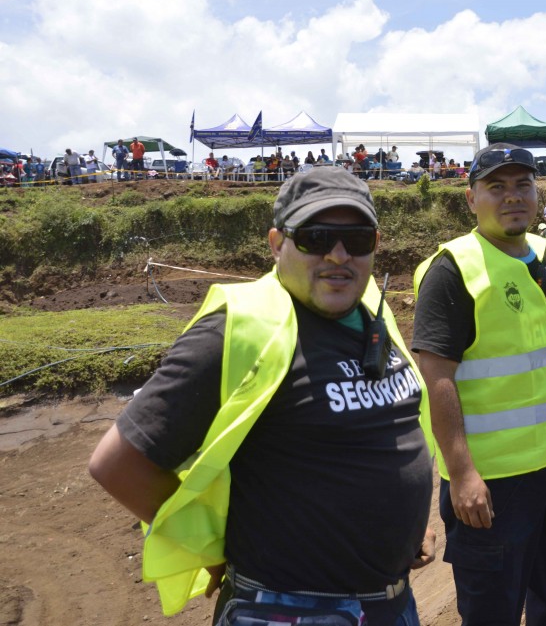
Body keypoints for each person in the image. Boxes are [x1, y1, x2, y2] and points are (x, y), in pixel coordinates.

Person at [89, 169, 435, 625]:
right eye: (315, 237)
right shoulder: (238, 330)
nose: (338, 254)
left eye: (356, 239)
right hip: (288, 610)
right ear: (276, 243)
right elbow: (117, 465)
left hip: (391, 603)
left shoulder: (372, 310)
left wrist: (406, 526)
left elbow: (384, 432)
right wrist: (211, 552)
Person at [411, 143, 546, 626]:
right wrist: (462, 474)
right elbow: (437, 376)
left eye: (522, 185)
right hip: (490, 487)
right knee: (493, 612)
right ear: (471, 199)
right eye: (496, 187)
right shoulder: (452, 270)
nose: (512, 196)